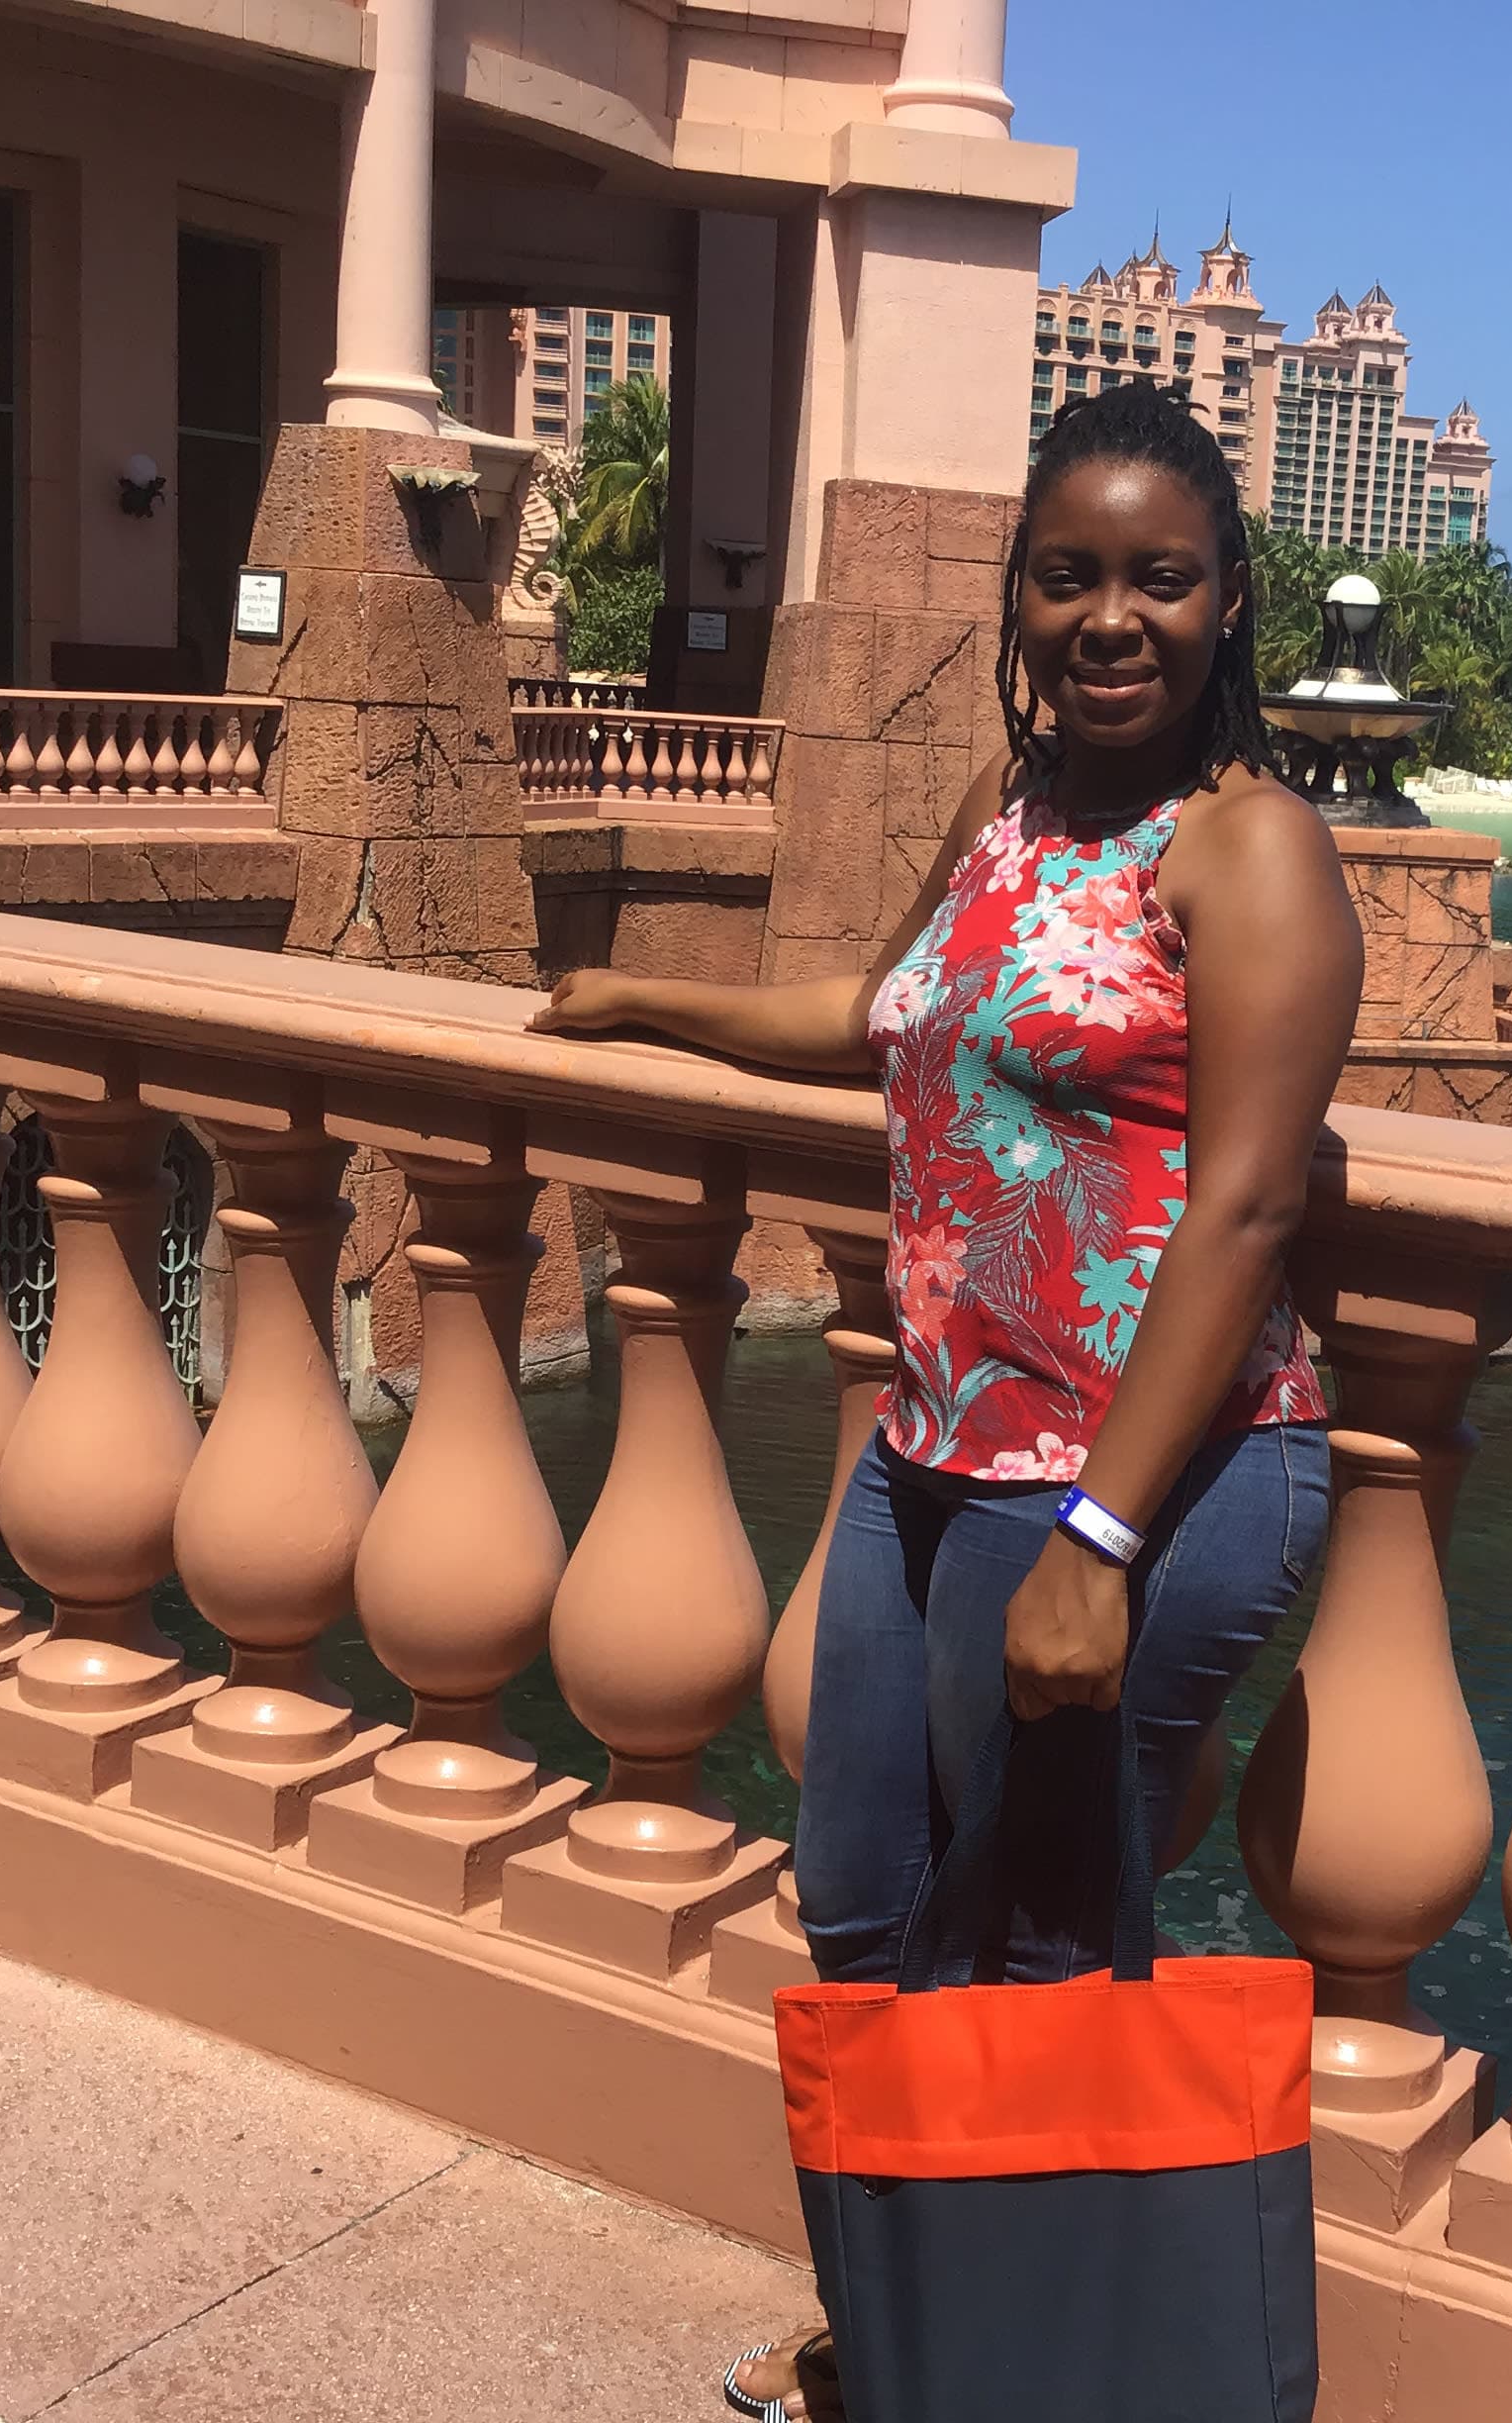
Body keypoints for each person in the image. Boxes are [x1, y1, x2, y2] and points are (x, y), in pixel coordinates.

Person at [533, 379, 1355, 2421]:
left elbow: (1249, 1204)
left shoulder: (1248, 846)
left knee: (1042, 1964)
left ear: (1227, 602)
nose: (1112, 619)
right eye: (1069, 575)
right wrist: (642, 998)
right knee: (866, 1910)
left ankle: (1041, 2377)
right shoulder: (1010, 807)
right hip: (932, 1459)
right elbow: (875, 1010)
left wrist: (1100, 1540)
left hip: (1136, 1480)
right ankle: (913, 2346)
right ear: (1017, 597)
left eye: (1160, 580)